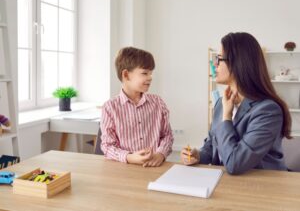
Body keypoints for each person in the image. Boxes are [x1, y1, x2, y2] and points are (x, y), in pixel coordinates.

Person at [181, 32, 292, 174]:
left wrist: (227, 117)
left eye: (219, 59)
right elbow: (212, 145)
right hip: (226, 182)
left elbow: (235, 163)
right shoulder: (221, 103)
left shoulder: (268, 111)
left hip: (263, 188)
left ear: (238, 63)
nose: (215, 64)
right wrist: (198, 155)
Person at [101, 47, 174, 167]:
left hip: (154, 167)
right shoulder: (110, 108)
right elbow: (107, 146)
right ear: (126, 75)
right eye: (145, 73)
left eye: (151, 73)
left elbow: (167, 135)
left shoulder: (158, 103)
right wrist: (129, 157)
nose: (150, 77)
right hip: (125, 169)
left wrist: (160, 154)